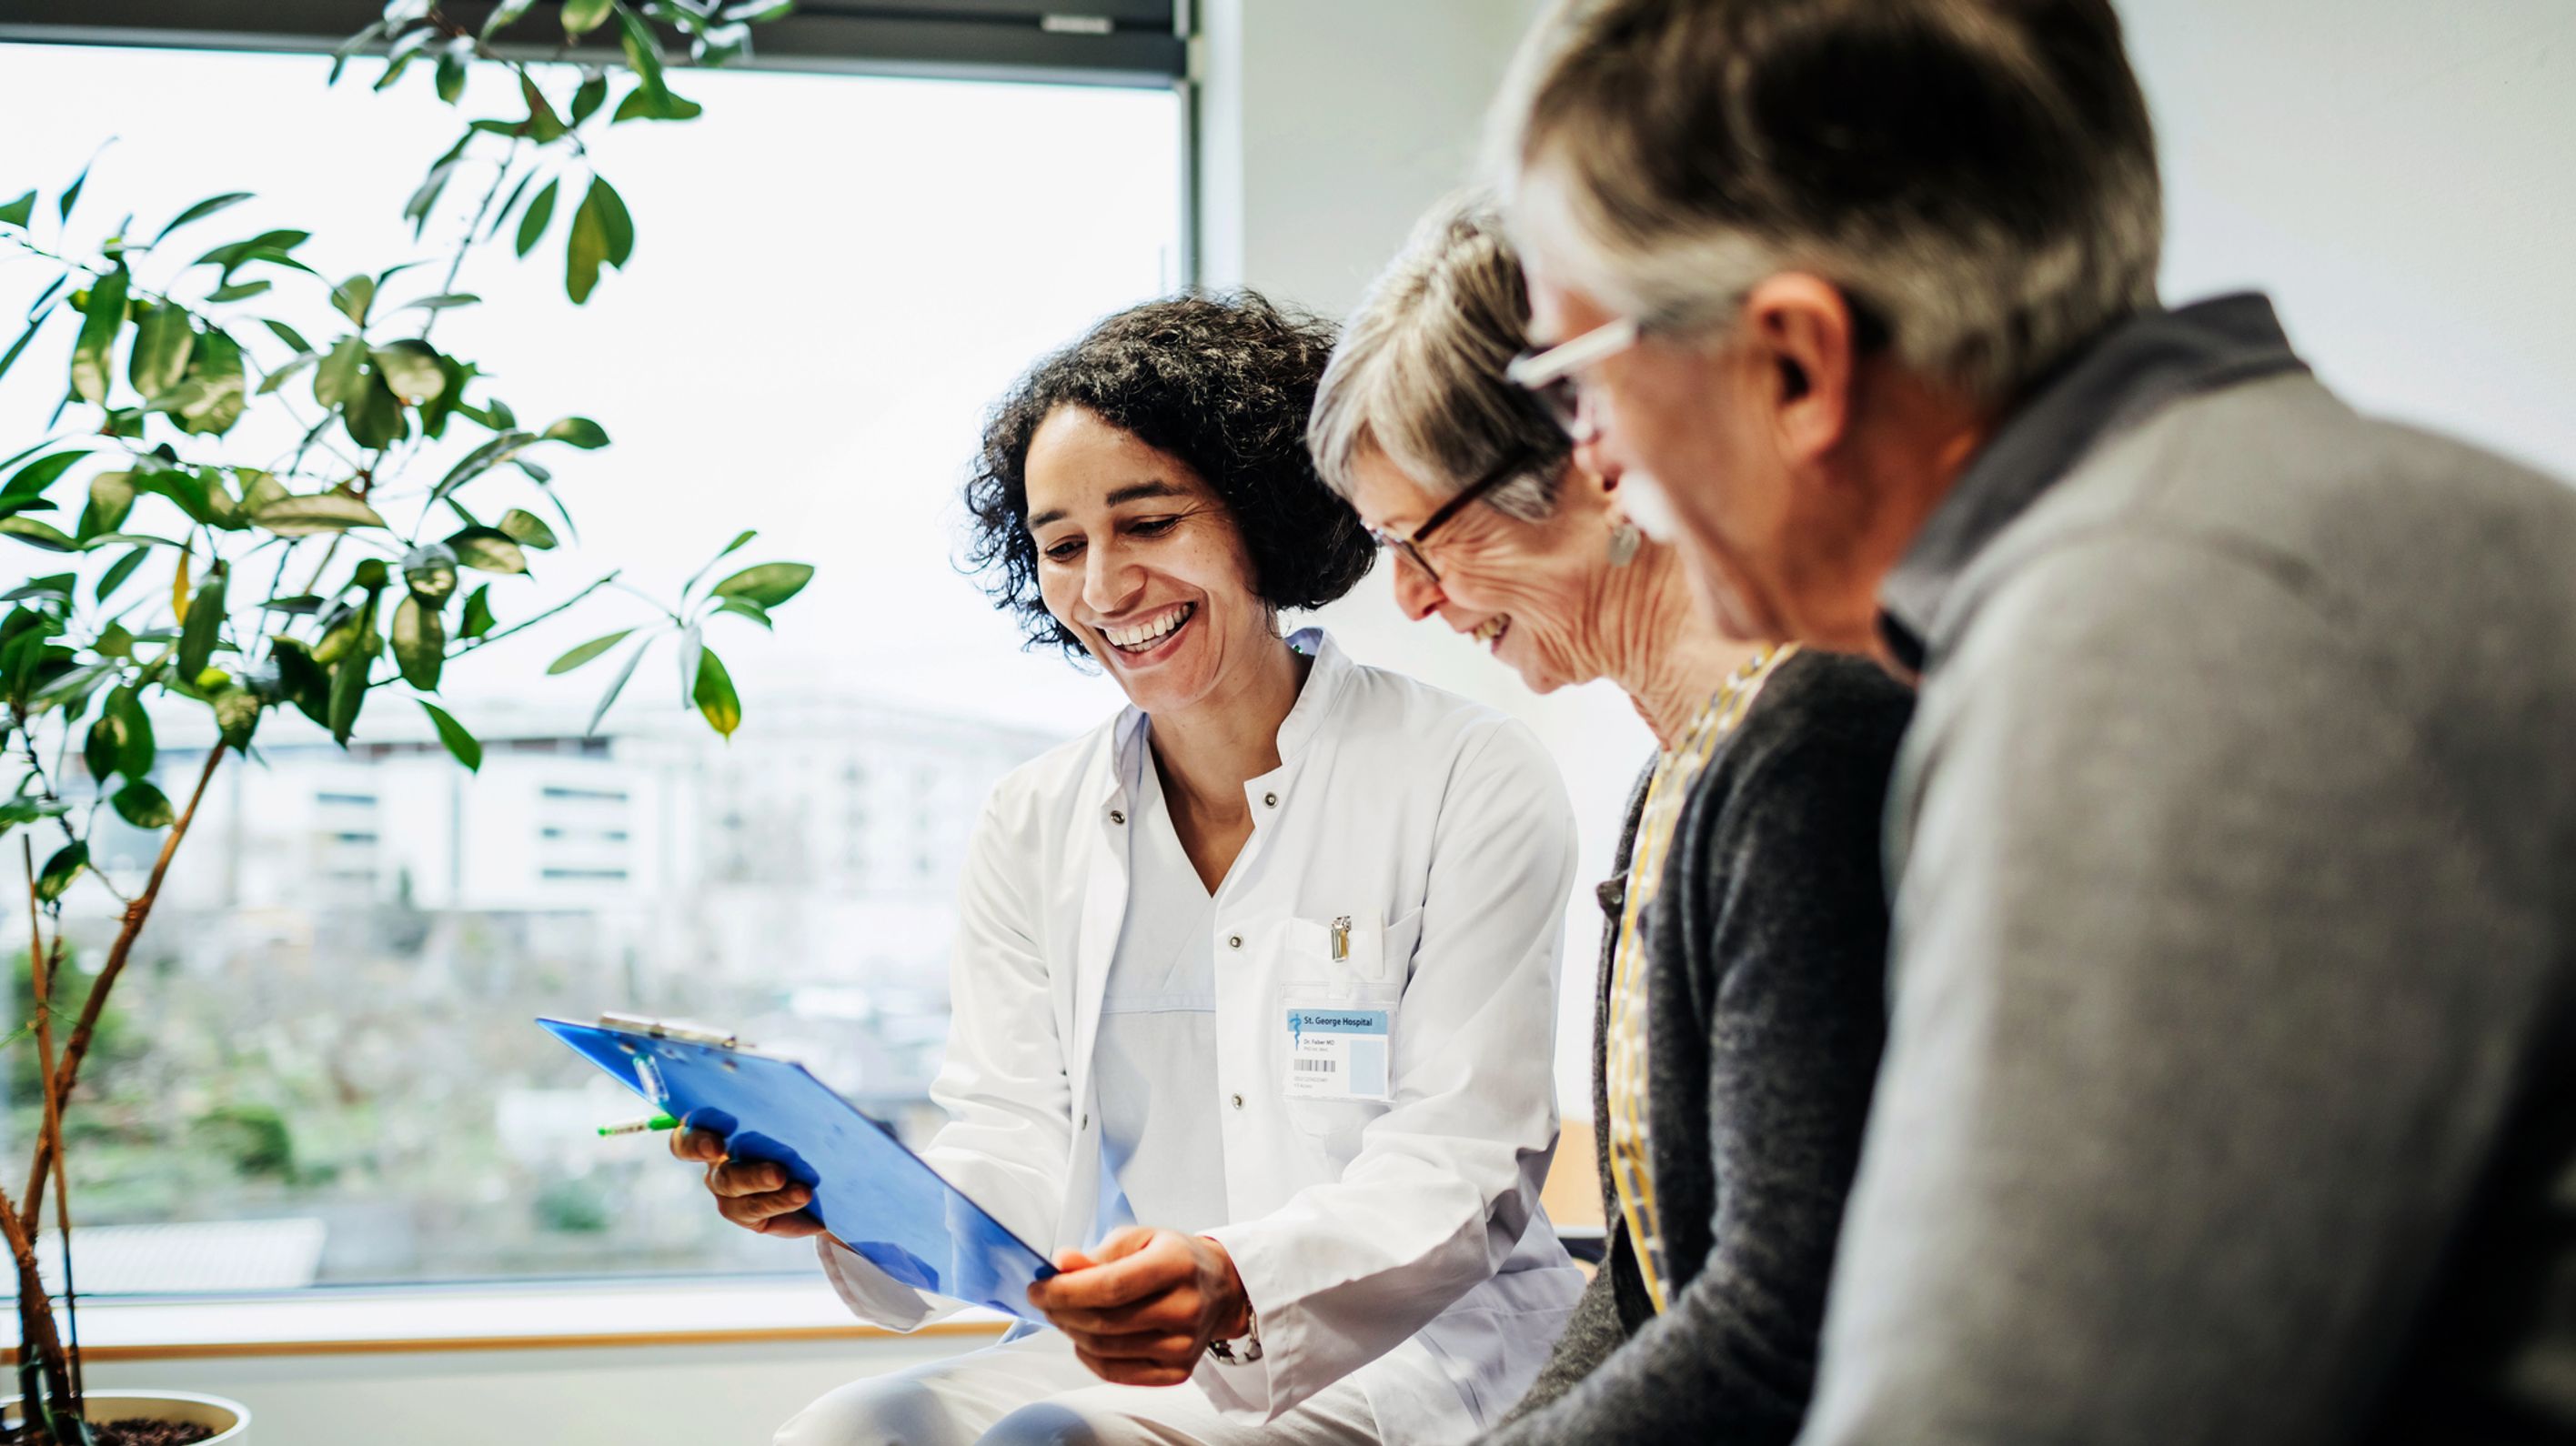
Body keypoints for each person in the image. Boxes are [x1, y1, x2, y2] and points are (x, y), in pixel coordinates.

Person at [1490, 1, 2576, 1442]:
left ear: (1797, 366)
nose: (1598, 457)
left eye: (1579, 382)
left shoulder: (2154, 631)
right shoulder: (2292, 522)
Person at [675, 293, 1587, 1445]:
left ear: (1263, 517)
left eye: (1148, 525)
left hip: (1426, 1349)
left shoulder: (1466, 775)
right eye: (1062, 548)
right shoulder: (1033, 820)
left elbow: (1464, 1160)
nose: (1103, 590)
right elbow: (1011, 1136)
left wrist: (1229, 1273)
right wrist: (844, 1203)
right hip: (1137, 1354)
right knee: (847, 1433)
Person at [1308, 198, 1914, 1446]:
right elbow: (1644, 1274)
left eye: (1422, 542)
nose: (1414, 603)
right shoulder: (1670, 780)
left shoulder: (1813, 741)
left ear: (1594, 457)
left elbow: (1778, 1317)